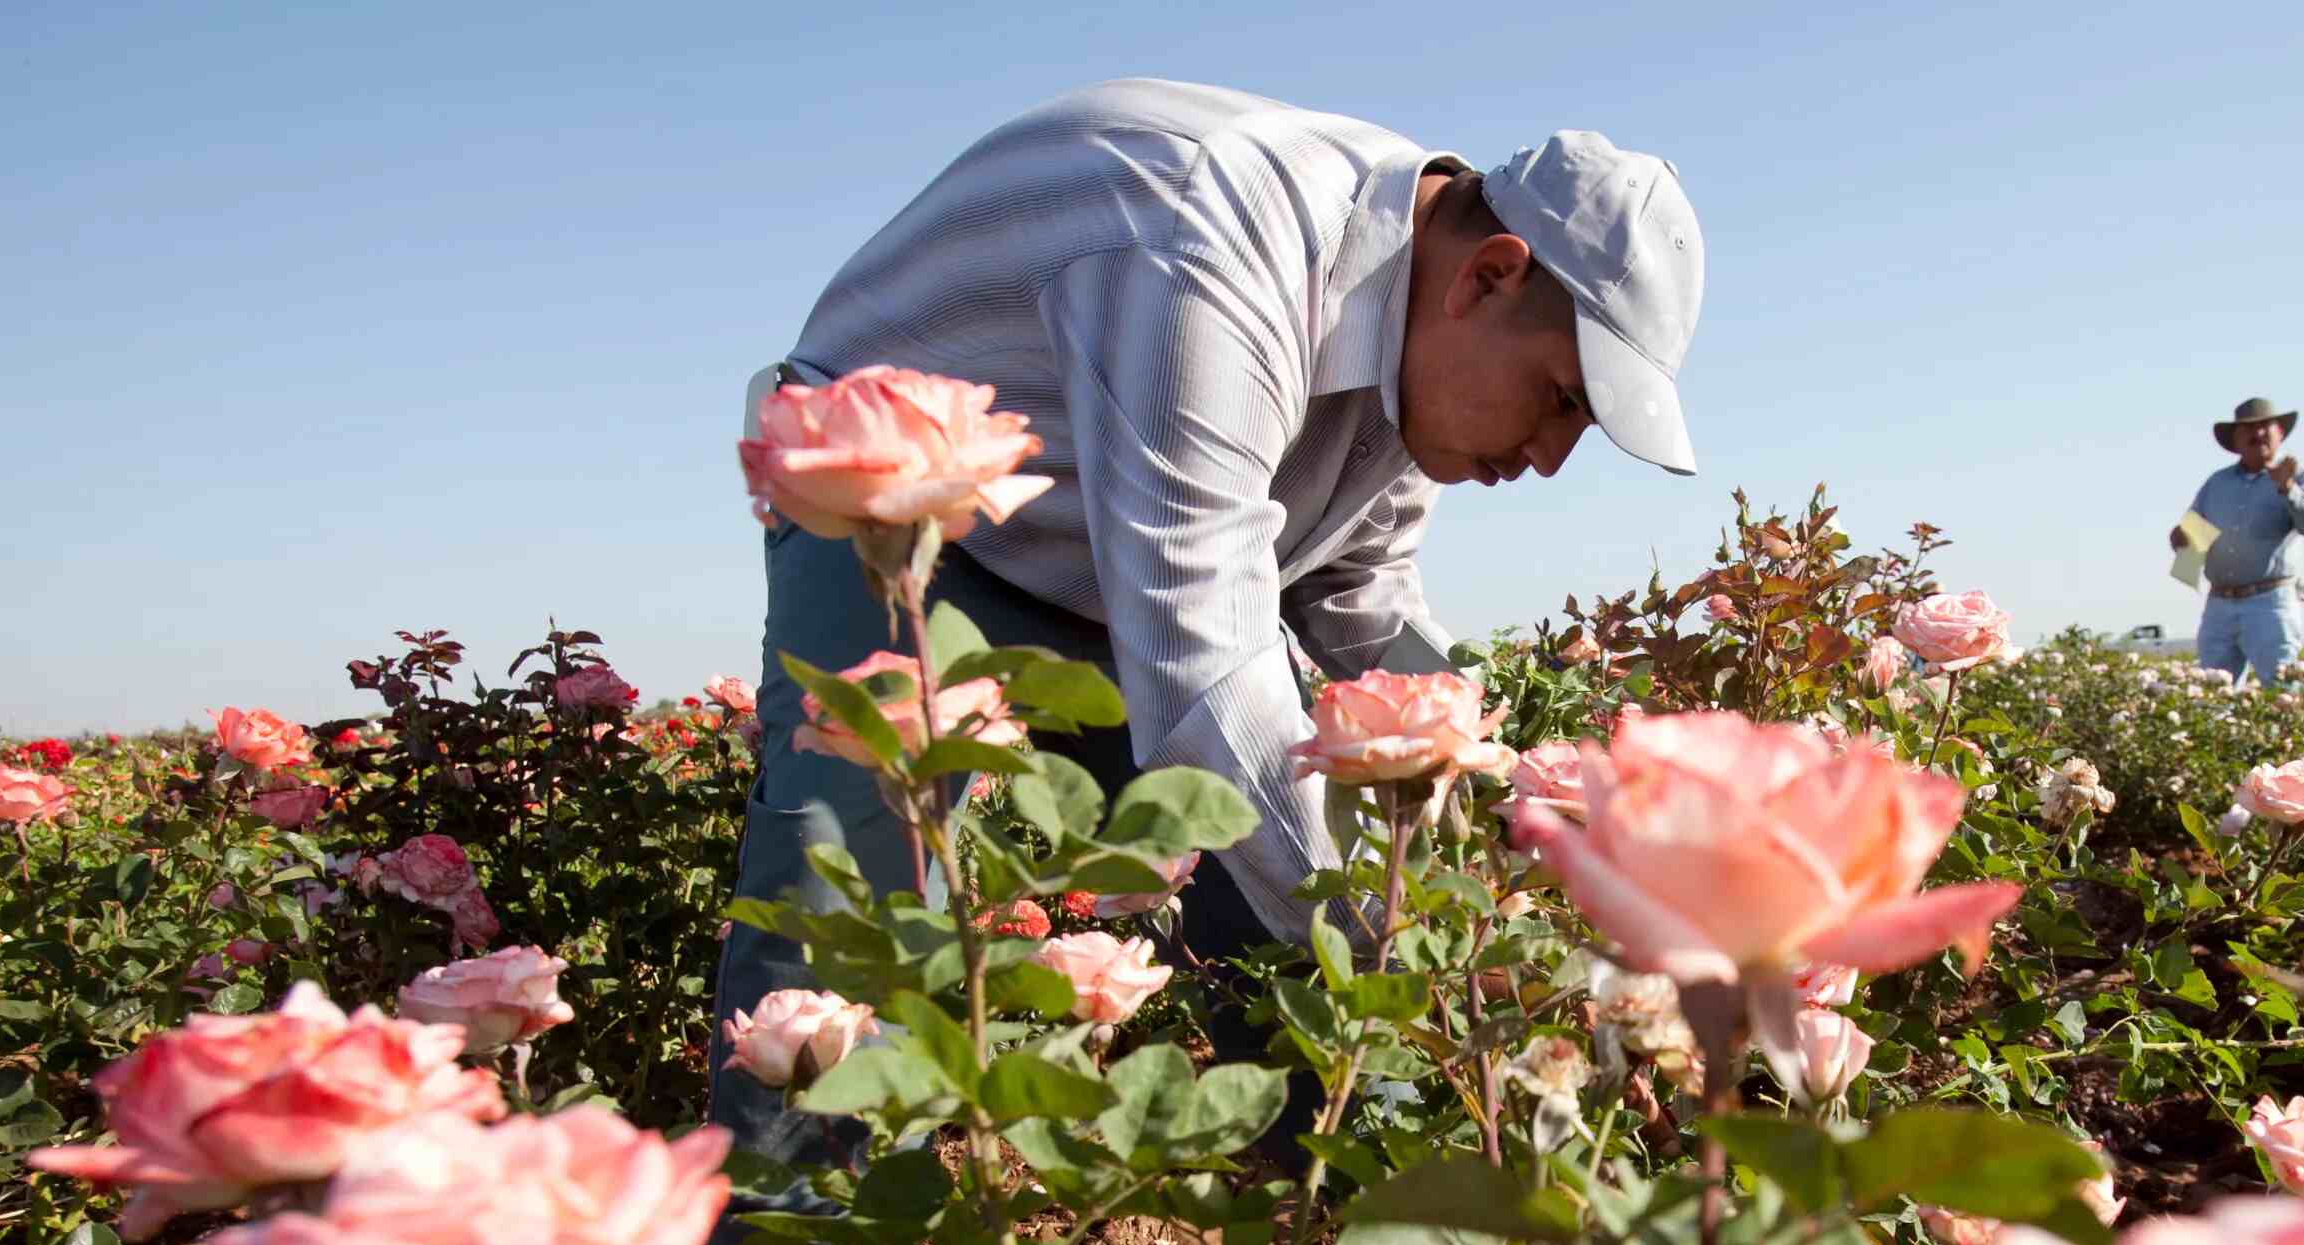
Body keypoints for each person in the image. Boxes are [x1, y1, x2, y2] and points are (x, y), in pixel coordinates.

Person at [712, 79, 1706, 1166]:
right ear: (1489, 273)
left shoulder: (1412, 338)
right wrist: (1402, 952)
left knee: (1260, 900)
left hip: (1122, 557)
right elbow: (1203, 658)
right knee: (850, 894)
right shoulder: (1210, 249)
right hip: (900, 509)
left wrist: (1524, 814)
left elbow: (1360, 603)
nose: (1552, 456)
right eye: (1561, 398)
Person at [2170, 397, 2304, 685]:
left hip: (2270, 602)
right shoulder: (2217, 484)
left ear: (2280, 433)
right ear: (2235, 440)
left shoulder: (2300, 476)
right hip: (2219, 604)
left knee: (2283, 692)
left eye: (2265, 426)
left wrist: (2287, 488)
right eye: (2248, 429)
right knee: (2211, 697)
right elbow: (2192, 541)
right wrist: (2180, 541)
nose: (2258, 433)